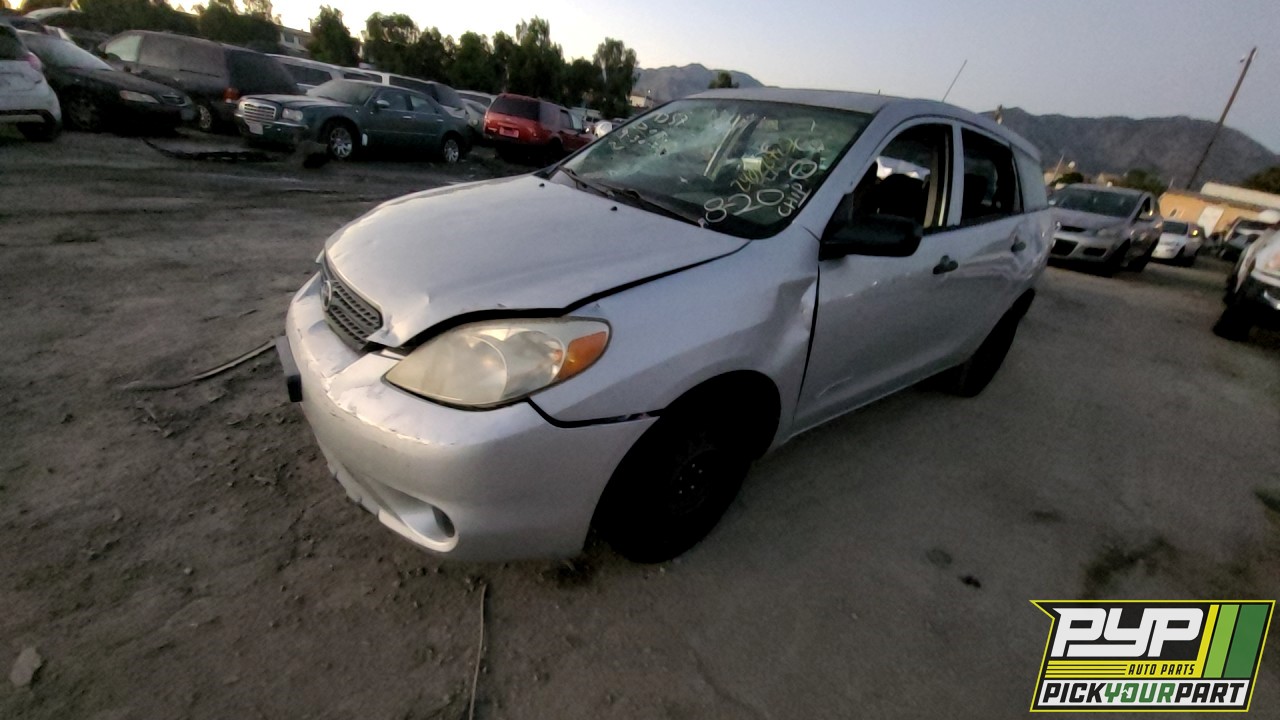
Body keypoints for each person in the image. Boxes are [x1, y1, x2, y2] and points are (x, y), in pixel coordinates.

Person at [1213, 208, 1280, 340]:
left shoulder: (1271, 238)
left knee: (1244, 306)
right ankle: (1232, 329)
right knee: (1242, 309)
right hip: (1265, 279)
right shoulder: (1272, 237)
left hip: (1267, 278)